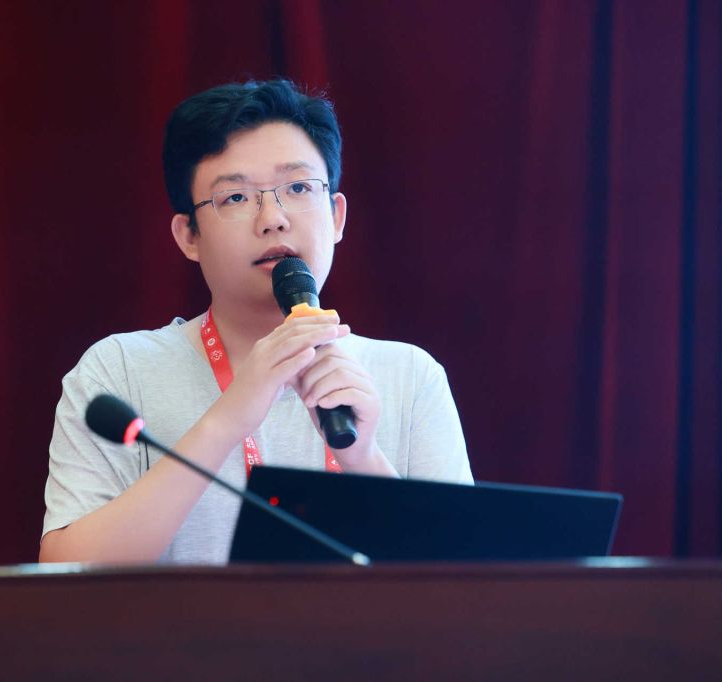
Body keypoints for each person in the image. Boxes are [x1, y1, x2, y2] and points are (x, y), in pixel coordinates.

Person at [39, 80, 472, 565]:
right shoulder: (119, 371)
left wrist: (362, 456)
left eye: (298, 188)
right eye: (236, 198)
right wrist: (228, 418)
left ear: (336, 216)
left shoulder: (410, 377)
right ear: (188, 236)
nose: (273, 219)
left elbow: (468, 588)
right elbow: (63, 574)